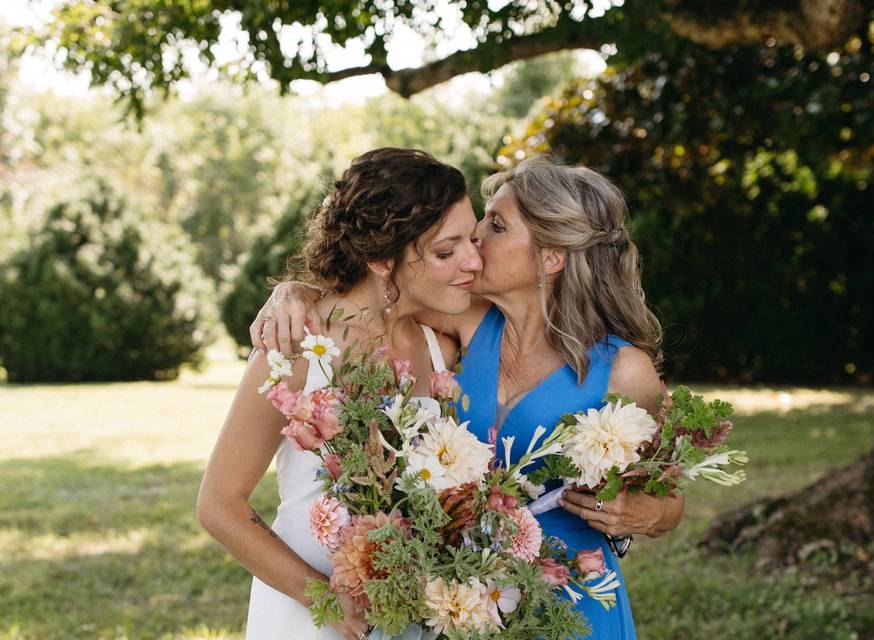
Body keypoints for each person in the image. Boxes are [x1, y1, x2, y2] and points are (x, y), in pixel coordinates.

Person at [252, 155, 685, 639]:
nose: (475, 237)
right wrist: (294, 293)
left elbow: (668, 494)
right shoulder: (464, 324)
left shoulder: (623, 370)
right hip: (464, 603)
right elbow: (376, 293)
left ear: (550, 257)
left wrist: (649, 513)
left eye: (496, 225)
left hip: (577, 600)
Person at [196, 148, 482, 640]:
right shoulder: (294, 349)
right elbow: (219, 505)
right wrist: (326, 600)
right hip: (307, 615)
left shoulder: (443, 350)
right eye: (445, 250)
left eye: (472, 240)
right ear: (381, 258)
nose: (474, 261)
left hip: (408, 617)